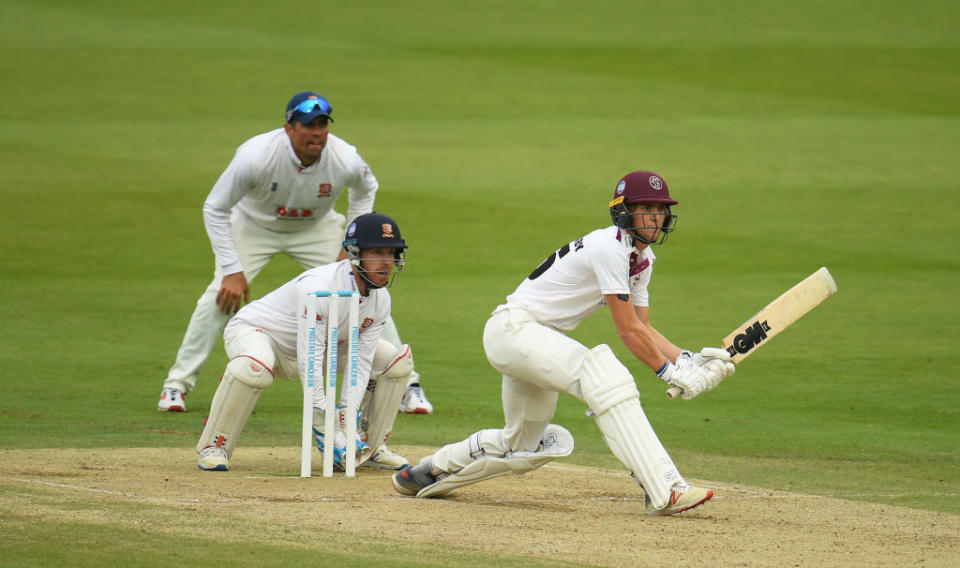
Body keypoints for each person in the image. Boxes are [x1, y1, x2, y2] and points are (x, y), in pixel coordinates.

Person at [391, 170, 736, 516]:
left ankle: (429, 469)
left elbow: (644, 326)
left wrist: (690, 360)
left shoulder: (642, 259)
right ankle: (665, 488)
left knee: (521, 446)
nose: (655, 217)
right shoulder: (610, 248)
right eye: (646, 207)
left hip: (536, 341)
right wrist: (669, 372)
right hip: (514, 330)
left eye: (661, 209)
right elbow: (628, 331)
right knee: (602, 375)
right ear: (623, 211)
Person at [156, 91, 432, 428]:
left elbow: (366, 187)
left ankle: (408, 384)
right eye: (308, 126)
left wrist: (351, 241)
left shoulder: (344, 157)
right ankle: (176, 385)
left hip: (316, 228)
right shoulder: (255, 156)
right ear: (289, 128)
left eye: (322, 125)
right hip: (255, 226)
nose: (317, 132)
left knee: (368, 291)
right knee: (219, 296)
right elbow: (215, 208)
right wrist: (232, 270)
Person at [197, 212, 416, 472]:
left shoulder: (381, 300)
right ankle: (215, 445)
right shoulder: (319, 287)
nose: (386, 262)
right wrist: (325, 424)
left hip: (326, 347)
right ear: (355, 254)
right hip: (262, 335)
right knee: (255, 367)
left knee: (393, 361)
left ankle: (369, 446)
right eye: (377, 253)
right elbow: (310, 360)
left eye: (391, 253)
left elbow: (361, 360)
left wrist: (344, 421)